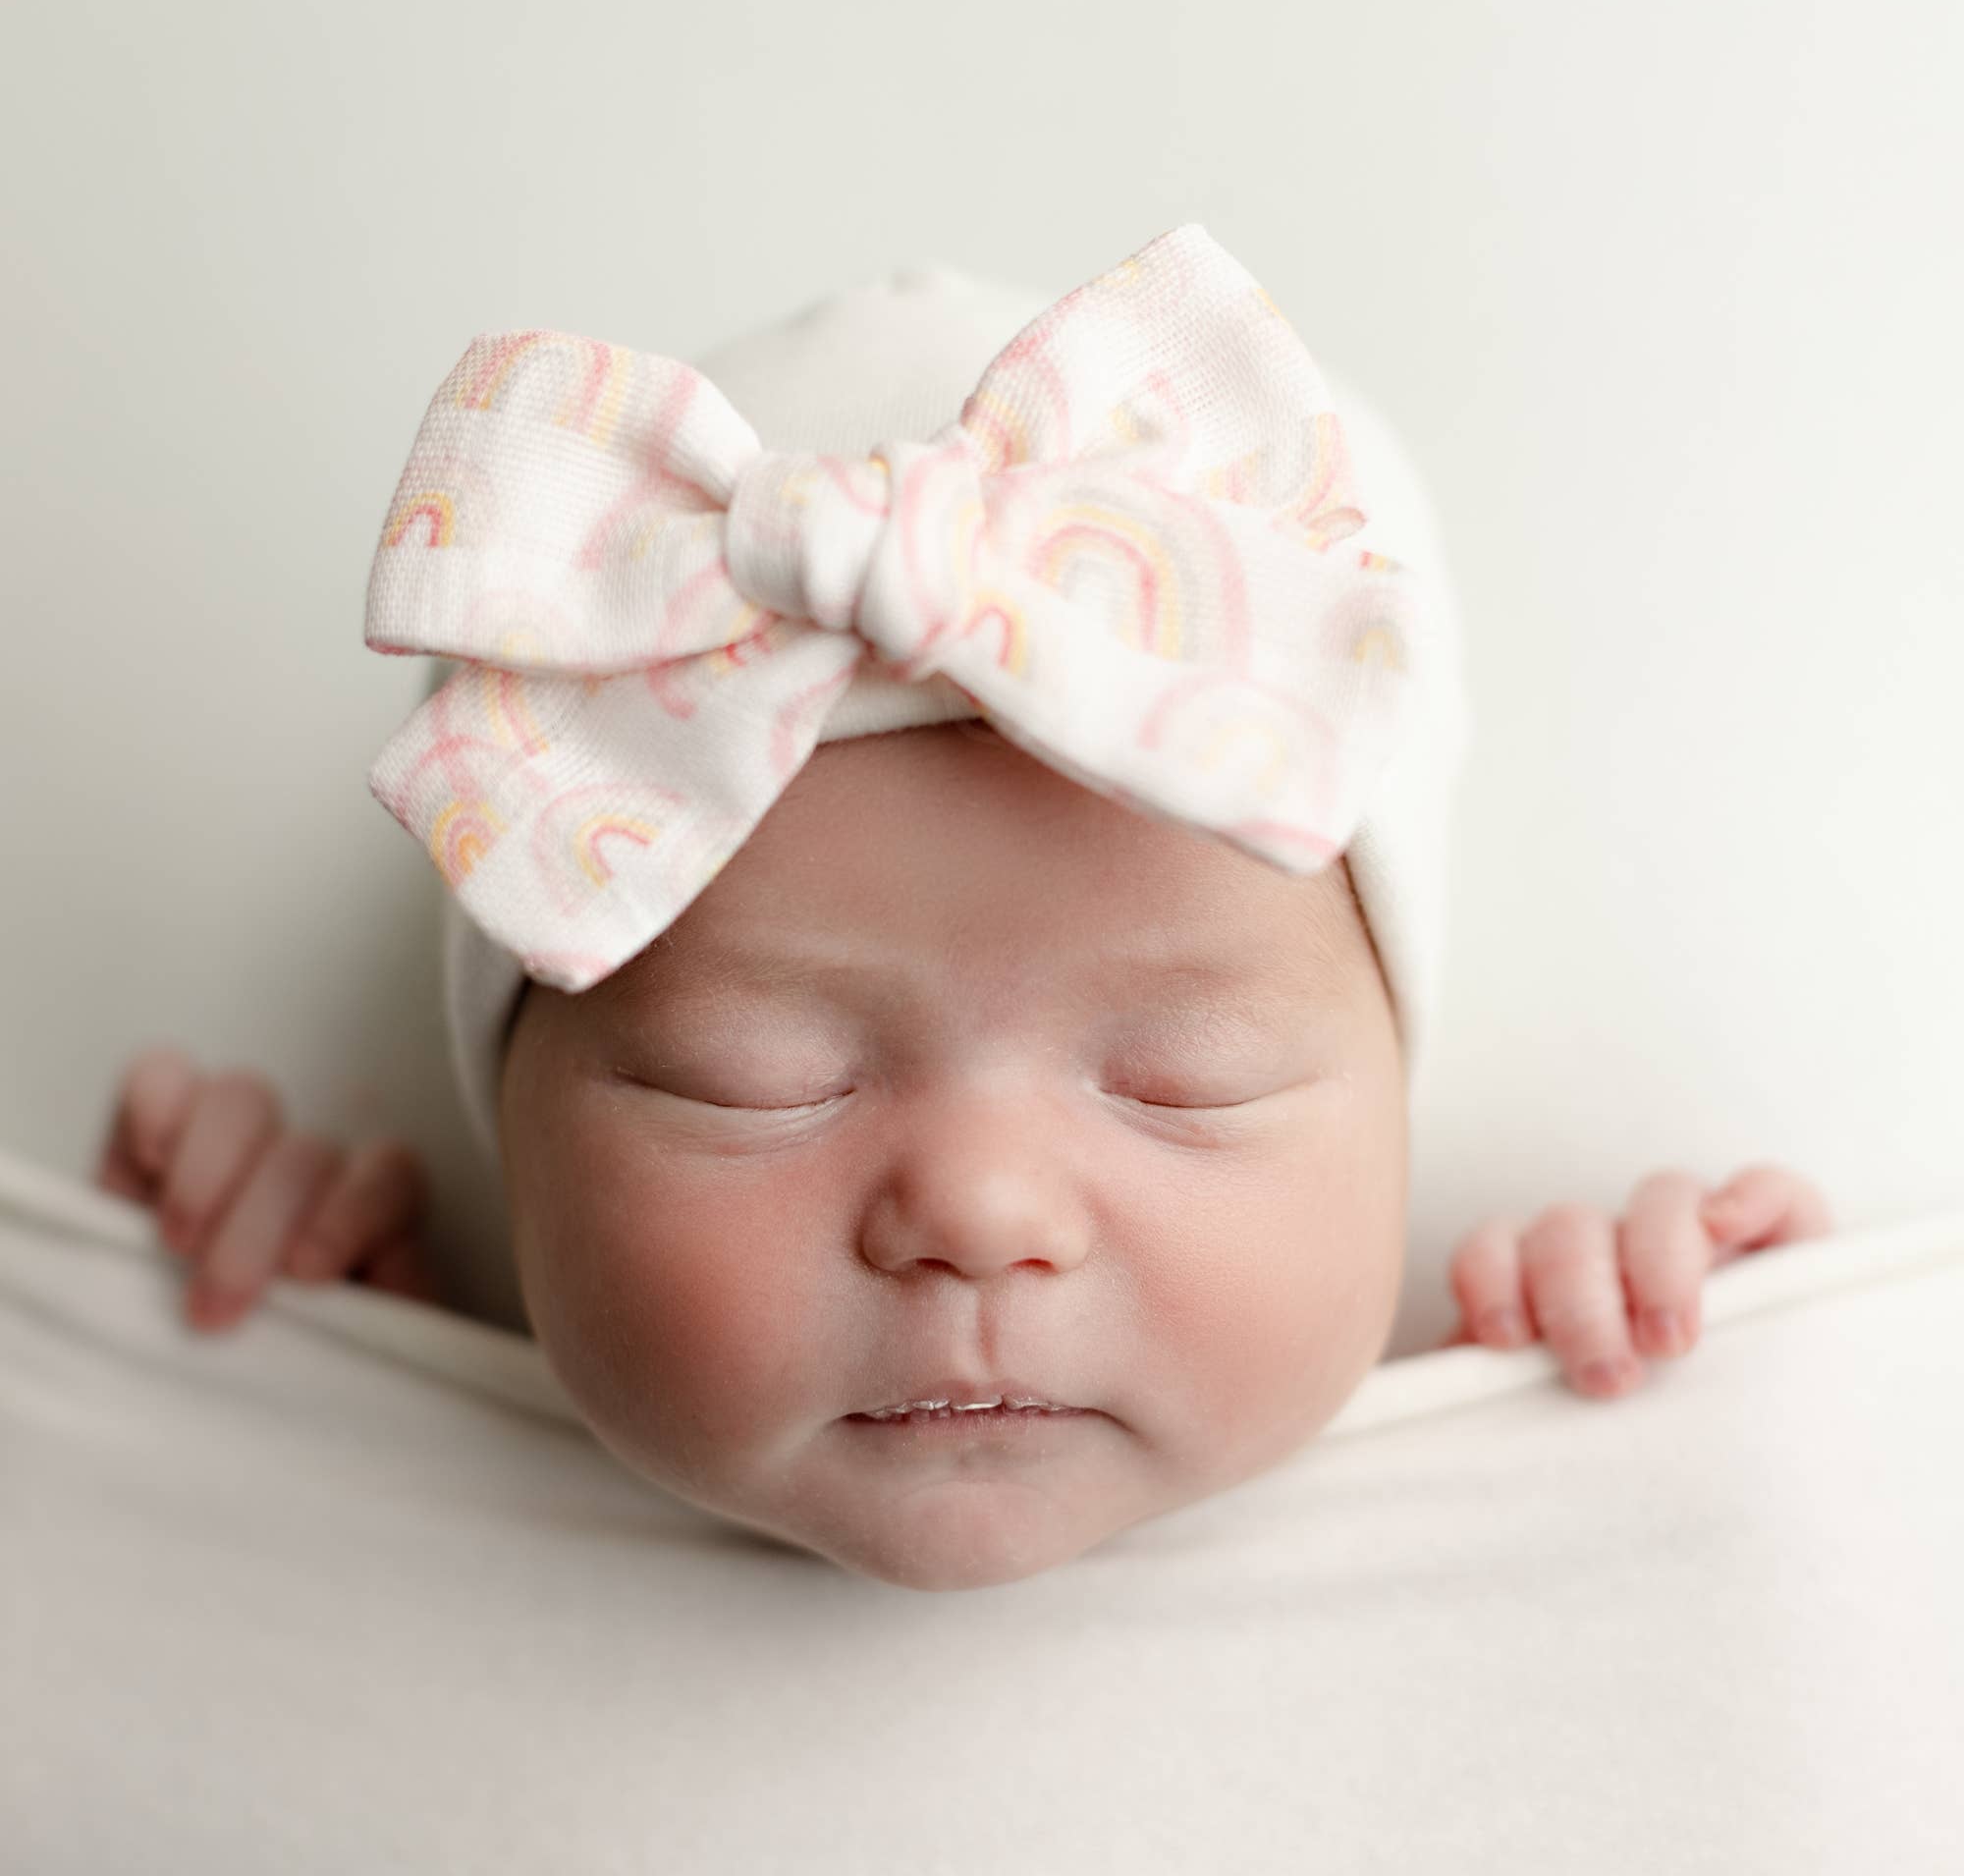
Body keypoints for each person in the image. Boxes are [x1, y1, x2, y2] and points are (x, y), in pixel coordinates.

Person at [91, 225, 1833, 1591]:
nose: (980, 1213)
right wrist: (303, 1362)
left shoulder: (1533, 1485)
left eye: (1186, 1076)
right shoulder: (411, 1507)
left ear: (1393, 1102)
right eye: (752, 1078)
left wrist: (1656, 1382)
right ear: (517, 1138)